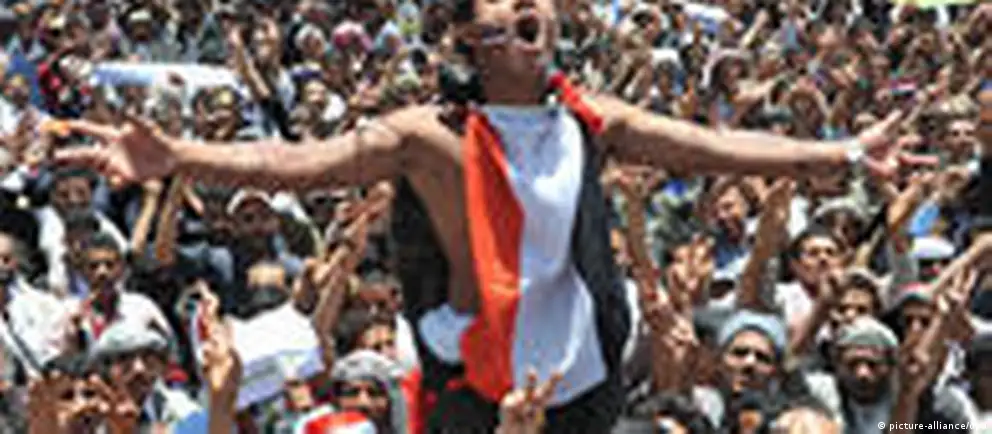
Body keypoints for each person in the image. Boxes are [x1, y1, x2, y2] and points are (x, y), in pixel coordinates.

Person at [55, 0, 907, 430]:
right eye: (509, 8)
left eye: (542, 7)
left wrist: (841, 154)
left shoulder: (590, 119)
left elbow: (715, 148)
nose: (535, 12)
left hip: (578, 378)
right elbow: (297, 163)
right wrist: (178, 157)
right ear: (470, 37)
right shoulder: (428, 136)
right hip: (473, 381)